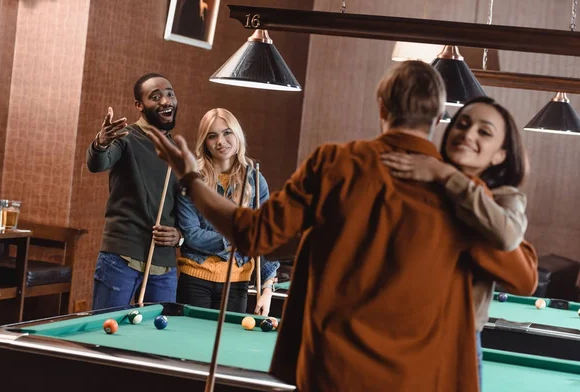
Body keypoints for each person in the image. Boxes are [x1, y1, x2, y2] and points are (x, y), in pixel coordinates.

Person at [145, 61, 538, 392]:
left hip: (334, 368)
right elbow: (521, 275)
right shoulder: (465, 193)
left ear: (381, 106)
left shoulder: (334, 163)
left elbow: (254, 236)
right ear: (438, 118)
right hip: (421, 376)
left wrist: (192, 180)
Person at [381, 96, 528, 389]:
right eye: (462, 124)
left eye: (484, 132)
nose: (468, 134)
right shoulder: (420, 180)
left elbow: (508, 235)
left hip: (456, 343)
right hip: (399, 334)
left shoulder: (505, 197)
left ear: (499, 155)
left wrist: (445, 174)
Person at [87, 73, 183, 310]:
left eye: (170, 94)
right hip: (121, 257)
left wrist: (179, 235)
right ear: (139, 106)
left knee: (157, 342)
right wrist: (100, 143)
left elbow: (185, 208)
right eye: (155, 97)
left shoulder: (178, 152)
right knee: (105, 332)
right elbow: (98, 163)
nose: (166, 101)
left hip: (163, 264)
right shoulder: (125, 137)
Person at [175, 108, 279, 315]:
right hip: (195, 280)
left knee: (224, 347)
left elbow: (264, 238)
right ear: (205, 142)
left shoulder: (255, 180)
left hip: (236, 284)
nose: (220, 141)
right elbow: (192, 235)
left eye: (226, 132)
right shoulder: (192, 178)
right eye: (212, 136)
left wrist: (267, 289)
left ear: (237, 134)